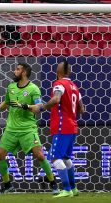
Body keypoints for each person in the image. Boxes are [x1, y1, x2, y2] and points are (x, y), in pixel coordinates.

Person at [0, 63, 58, 194]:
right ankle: (7, 186)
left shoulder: (33, 89)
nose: (14, 71)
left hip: (27, 129)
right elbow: (7, 102)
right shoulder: (11, 87)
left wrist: (25, 106)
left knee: (40, 155)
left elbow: (39, 107)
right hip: (11, 129)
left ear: (24, 72)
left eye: (17, 69)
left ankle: (53, 183)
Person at [29, 61, 85, 198]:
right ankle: (74, 188)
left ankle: (66, 189)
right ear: (69, 72)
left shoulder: (59, 84)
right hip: (72, 126)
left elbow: (56, 99)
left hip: (61, 125)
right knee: (66, 158)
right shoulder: (75, 87)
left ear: (58, 72)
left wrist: (42, 107)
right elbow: (82, 109)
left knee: (55, 158)